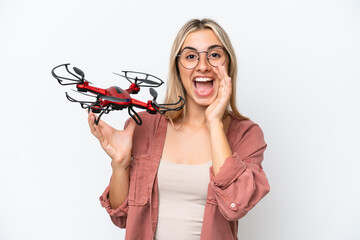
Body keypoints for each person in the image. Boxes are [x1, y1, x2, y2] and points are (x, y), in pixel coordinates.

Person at [88, 18, 270, 240]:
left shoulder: (246, 135)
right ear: (177, 67)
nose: (203, 65)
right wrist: (120, 164)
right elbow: (122, 216)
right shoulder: (145, 125)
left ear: (228, 64)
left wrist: (214, 122)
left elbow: (236, 205)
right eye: (191, 56)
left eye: (214, 55)